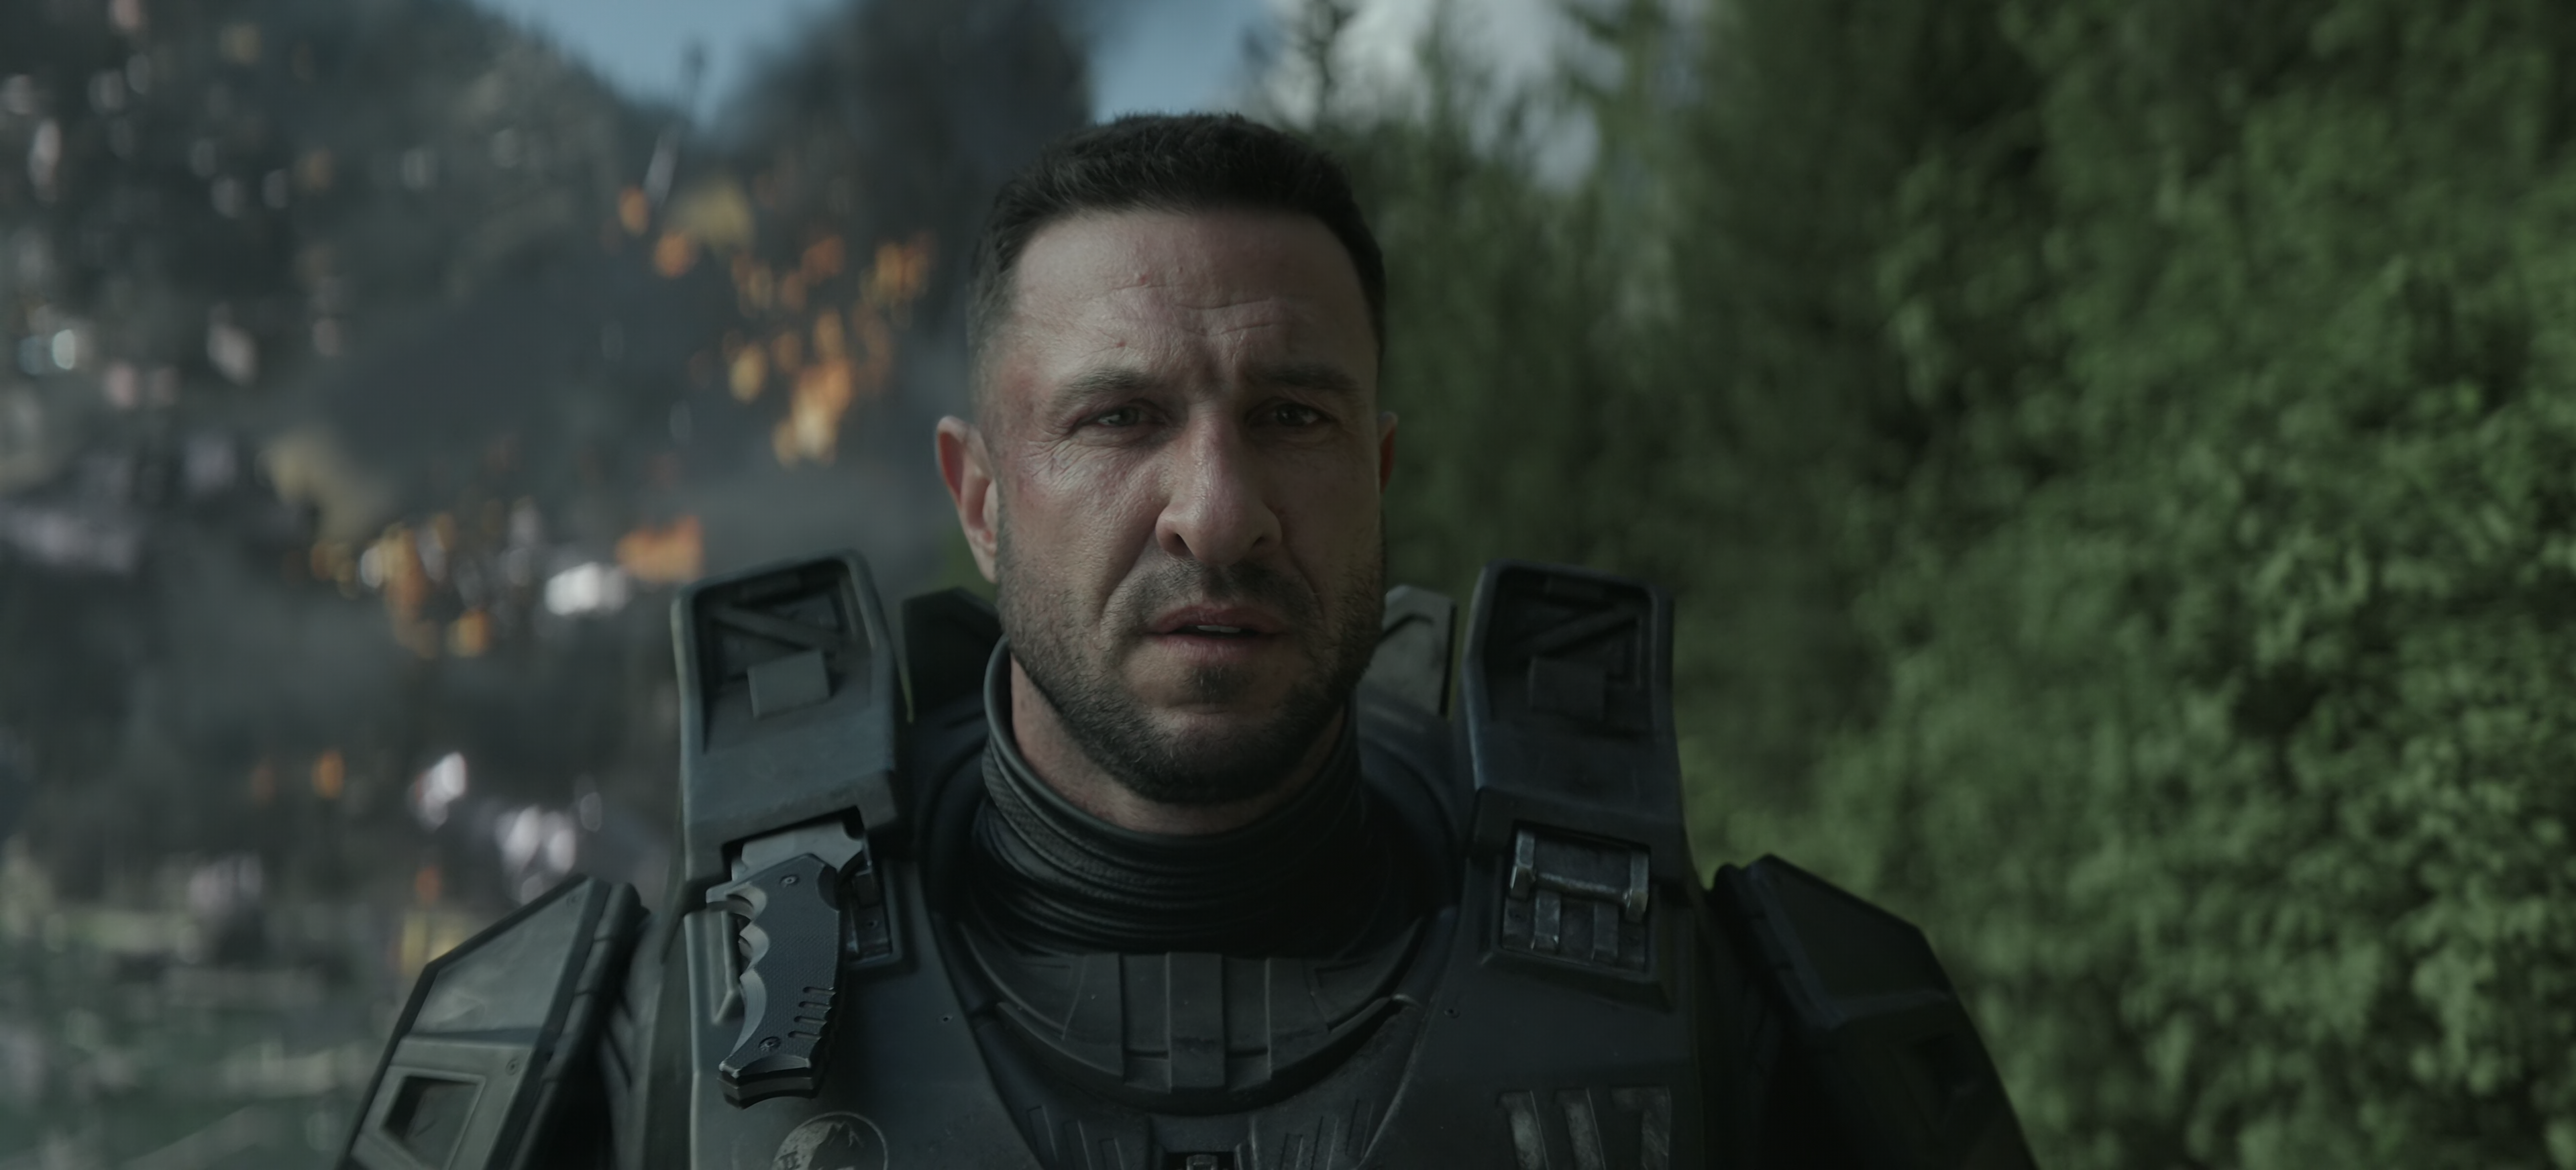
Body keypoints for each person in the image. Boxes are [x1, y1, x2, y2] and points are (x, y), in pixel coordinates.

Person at [338, 113, 2033, 1170]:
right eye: (1120, 417)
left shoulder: (1729, 1022)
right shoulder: (638, 1048)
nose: (1217, 513)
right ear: (981, 497)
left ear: (1377, 477)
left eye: (1291, 415)